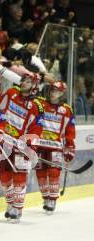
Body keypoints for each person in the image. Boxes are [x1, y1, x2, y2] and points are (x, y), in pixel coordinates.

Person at [0, 72, 44, 223]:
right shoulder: (10, 93)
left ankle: (18, 207)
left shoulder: (37, 106)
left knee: (19, 176)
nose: (23, 83)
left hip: (21, 145)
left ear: (34, 86)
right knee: (4, 175)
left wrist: (32, 149)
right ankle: (10, 203)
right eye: (23, 80)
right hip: (5, 142)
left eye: (28, 82)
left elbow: (36, 130)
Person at [34, 81, 75, 214]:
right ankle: (45, 197)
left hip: (56, 147)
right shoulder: (41, 104)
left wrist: (70, 147)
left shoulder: (67, 110)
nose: (53, 93)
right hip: (39, 145)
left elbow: (70, 131)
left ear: (62, 93)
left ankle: (52, 199)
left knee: (53, 173)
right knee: (40, 174)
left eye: (57, 91)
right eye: (52, 90)